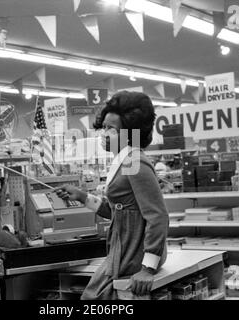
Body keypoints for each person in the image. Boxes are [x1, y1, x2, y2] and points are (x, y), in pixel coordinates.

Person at [55, 91, 169, 299]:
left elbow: (157, 216)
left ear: (131, 132)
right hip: (122, 251)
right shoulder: (123, 161)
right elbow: (119, 211)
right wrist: (82, 196)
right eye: (104, 127)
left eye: (111, 129)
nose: (104, 133)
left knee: (93, 297)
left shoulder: (135, 162)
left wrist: (148, 268)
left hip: (133, 255)